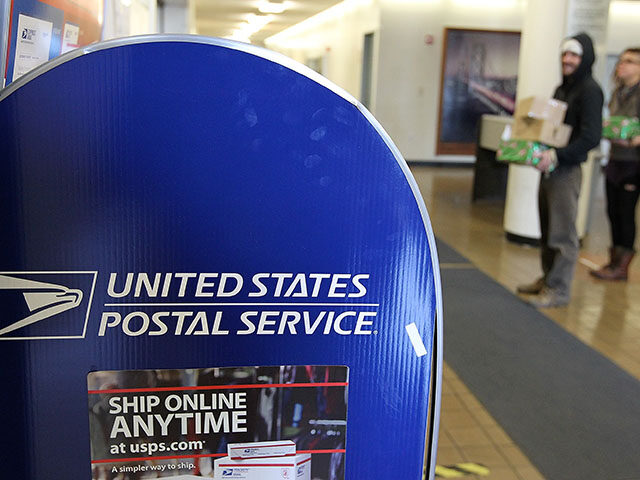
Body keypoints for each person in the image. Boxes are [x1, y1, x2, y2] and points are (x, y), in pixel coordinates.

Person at [518, 33, 604, 308]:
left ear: (585, 59)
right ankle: (548, 279)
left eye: (574, 56)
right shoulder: (562, 89)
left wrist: (558, 154)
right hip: (551, 167)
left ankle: (559, 289)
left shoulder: (590, 90)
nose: (567, 60)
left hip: (567, 171)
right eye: (565, 54)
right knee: (547, 229)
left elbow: (591, 137)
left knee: (562, 234)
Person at [590, 47, 640, 281]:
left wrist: (633, 140)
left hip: (634, 163)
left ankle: (622, 267)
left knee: (626, 213)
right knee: (612, 212)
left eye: (629, 61)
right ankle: (613, 261)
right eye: (621, 61)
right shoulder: (618, 92)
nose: (622, 65)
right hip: (615, 159)